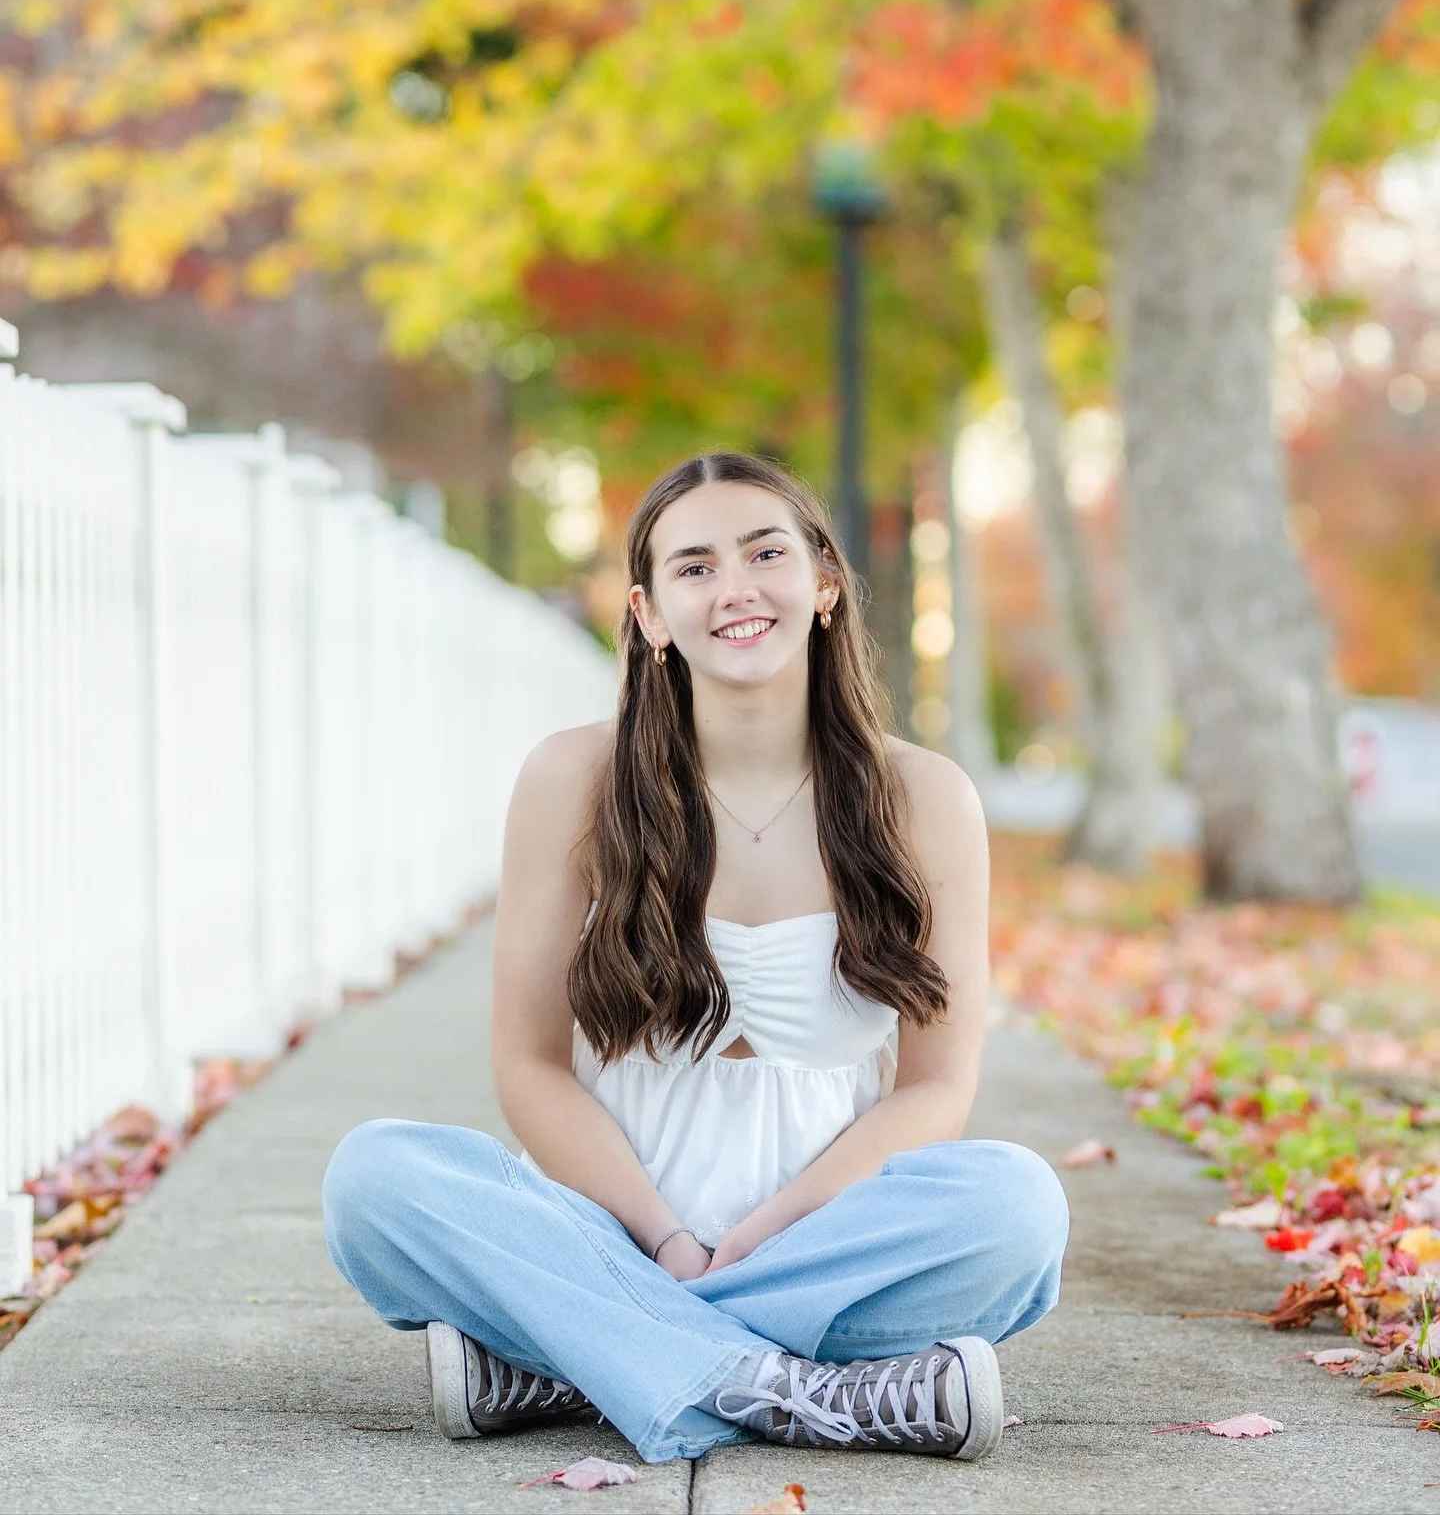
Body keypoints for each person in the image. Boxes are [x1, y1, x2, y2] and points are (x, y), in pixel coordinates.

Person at [322, 451, 1069, 1465]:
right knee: (376, 1178)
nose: (736, 589)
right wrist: (665, 1240)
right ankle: (793, 1390)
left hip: (824, 1241)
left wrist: (763, 1235)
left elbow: (936, 1090)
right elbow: (530, 1064)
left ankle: (575, 1357)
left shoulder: (924, 798)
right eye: (694, 566)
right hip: (612, 1229)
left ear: (825, 583)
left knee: (1016, 1209)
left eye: (766, 553)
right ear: (649, 613)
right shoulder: (573, 778)